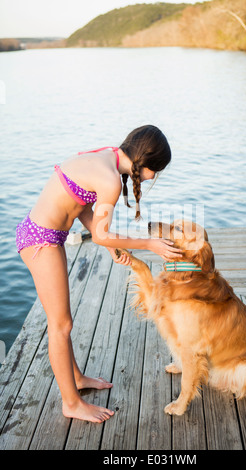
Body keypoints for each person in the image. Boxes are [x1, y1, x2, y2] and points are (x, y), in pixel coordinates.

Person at [16, 124, 182, 424]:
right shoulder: (111, 181)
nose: (154, 177)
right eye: (156, 170)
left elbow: (80, 207)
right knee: (60, 325)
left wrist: (107, 245)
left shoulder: (106, 156)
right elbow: (104, 234)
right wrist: (149, 243)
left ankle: (76, 378)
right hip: (41, 240)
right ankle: (71, 403)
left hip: (44, 234)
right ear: (145, 163)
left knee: (62, 322)